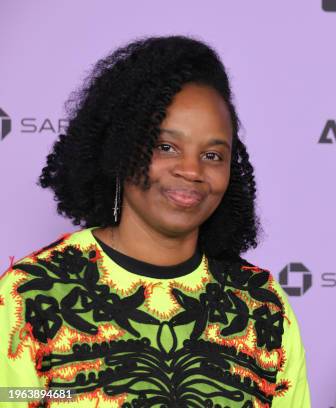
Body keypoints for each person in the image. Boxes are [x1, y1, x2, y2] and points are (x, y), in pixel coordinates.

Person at [0, 36, 311, 408]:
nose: (192, 170)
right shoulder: (29, 296)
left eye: (213, 155)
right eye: (166, 147)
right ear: (121, 147)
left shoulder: (262, 306)